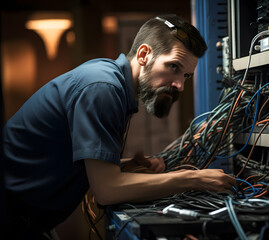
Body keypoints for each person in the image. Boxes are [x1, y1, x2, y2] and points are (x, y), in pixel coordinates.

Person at [2, 14, 236, 238]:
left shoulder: (111, 82)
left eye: (185, 76)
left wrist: (123, 166)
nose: (179, 85)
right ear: (144, 54)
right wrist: (193, 179)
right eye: (173, 66)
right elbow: (107, 190)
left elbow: (83, 162)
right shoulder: (102, 88)